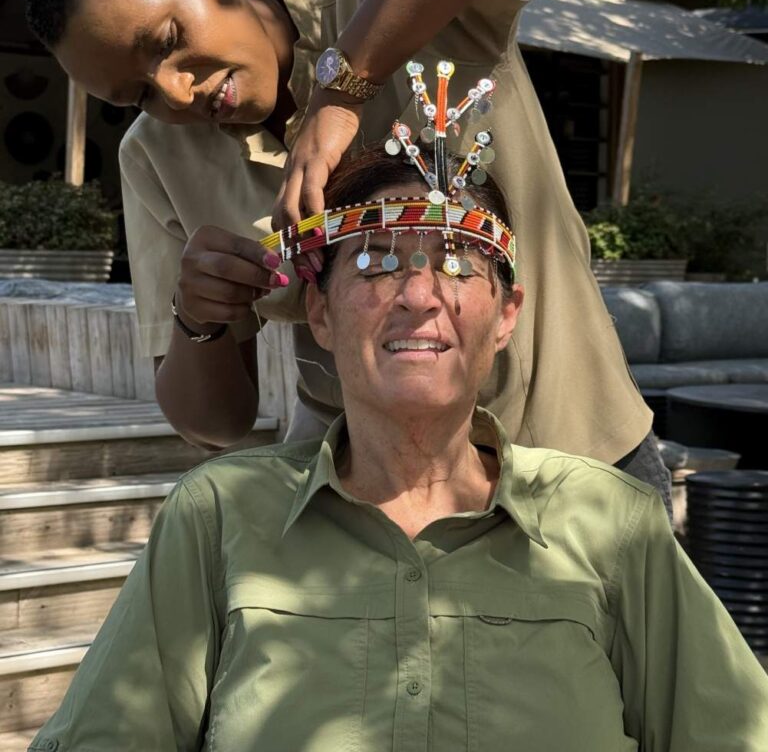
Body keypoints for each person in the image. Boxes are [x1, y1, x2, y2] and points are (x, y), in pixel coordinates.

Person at [28, 146, 768, 752]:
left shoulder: (612, 521)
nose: (419, 294)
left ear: (506, 315)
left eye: (457, 263)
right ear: (318, 309)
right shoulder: (221, 514)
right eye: (378, 261)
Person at [23, 0, 669, 502]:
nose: (178, 91)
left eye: (166, 40)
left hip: (578, 464)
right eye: (136, 95)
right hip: (364, 513)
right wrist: (198, 320)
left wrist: (344, 88)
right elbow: (214, 424)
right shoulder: (154, 157)